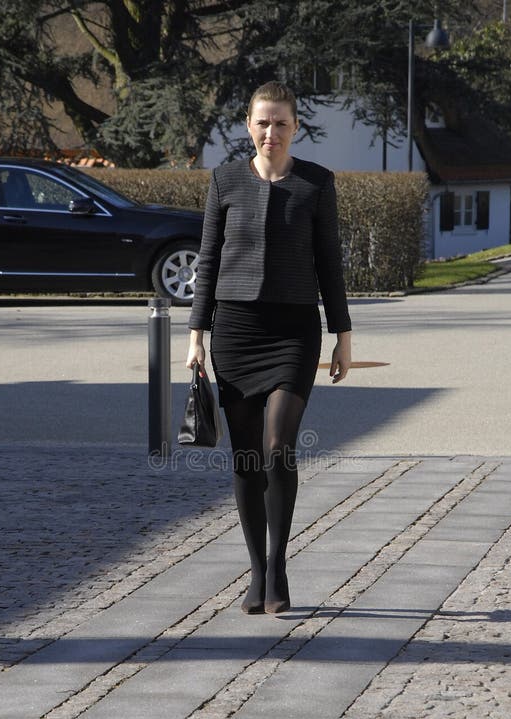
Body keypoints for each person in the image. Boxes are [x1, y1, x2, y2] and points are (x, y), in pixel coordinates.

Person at [186, 81, 352, 615]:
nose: (271, 132)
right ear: (248, 125)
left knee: (279, 445)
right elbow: (206, 262)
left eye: (281, 123)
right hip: (235, 333)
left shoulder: (316, 184)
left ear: (295, 127)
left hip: (293, 333)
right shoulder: (225, 180)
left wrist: (342, 335)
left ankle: (279, 563)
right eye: (262, 122)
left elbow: (330, 263)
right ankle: (256, 570)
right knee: (247, 456)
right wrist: (196, 335)